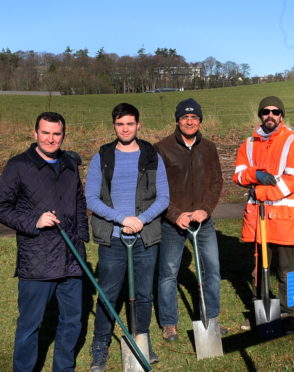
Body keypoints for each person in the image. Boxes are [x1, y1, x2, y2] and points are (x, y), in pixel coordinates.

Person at [0, 112, 89, 372]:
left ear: (63, 135)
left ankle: (64, 368)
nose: (50, 138)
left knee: (72, 322)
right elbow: (0, 208)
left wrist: (82, 235)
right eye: (45, 132)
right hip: (37, 260)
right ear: (35, 133)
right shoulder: (19, 166)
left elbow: (79, 200)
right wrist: (34, 221)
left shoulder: (69, 163)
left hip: (71, 257)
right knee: (30, 326)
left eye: (56, 133)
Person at [85, 103, 169, 370]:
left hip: (144, 237)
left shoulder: (152, 155)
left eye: (130, 124)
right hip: (113, 237)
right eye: (120, 124)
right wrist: (122, 219)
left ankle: (141, 341)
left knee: (144, 293)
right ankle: (100, 346)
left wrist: (140, 220)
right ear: (114, 126)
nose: (125, 129)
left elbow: (164, 197)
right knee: (108, 293)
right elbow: (91, 198)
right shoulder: (103, 156)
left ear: (138, 125)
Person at [233, 96, 294, 334]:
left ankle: (286, 310)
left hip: (285, 217)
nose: (270, 115)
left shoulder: (292, 141)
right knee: (259, 267)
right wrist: (255, 174)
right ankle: (261, 311)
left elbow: (293, 179)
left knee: (286, 269)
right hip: (259, 217)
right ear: (260, 115)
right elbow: (239, 174)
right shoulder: (249, 143)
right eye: (265, 111)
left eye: (275, 111)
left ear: (281, 115)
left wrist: (261, 190)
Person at [154, 98, 226, 342]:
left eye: (194, 117)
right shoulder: (162, 148)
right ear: (177, 120)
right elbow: (155, 188)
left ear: (200, 121)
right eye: (185, 117)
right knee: (168, 272)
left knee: (212, 270)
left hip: (203, 221)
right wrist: (175, 215)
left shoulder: (209, 148)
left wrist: (205, 210)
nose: (189, 121)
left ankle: (211, 318)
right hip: (173, 222)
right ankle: (169, 323)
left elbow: (217, 182)